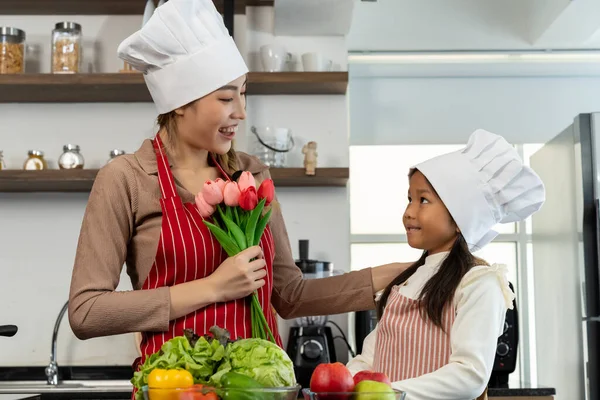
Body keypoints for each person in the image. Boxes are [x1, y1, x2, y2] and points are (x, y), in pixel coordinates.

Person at [68, 0, 410, 374]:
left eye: (243, 94)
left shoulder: (251, 174)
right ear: (181, 103)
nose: (241, 112)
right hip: (178, 390)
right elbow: (87, 312)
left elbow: (290, 296)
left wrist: (402, 272)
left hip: (260, 388)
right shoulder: (126, 179)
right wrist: (213, 287)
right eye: (227, 98)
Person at [346, 129, 546, 400]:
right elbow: (372, 356)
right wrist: (345, 382)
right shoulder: (405, 282)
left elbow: (469, 374)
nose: (408, 212)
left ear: (461, 214)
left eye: (423, 200)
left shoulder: (478, 282)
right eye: (409, 199)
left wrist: (392, 393)